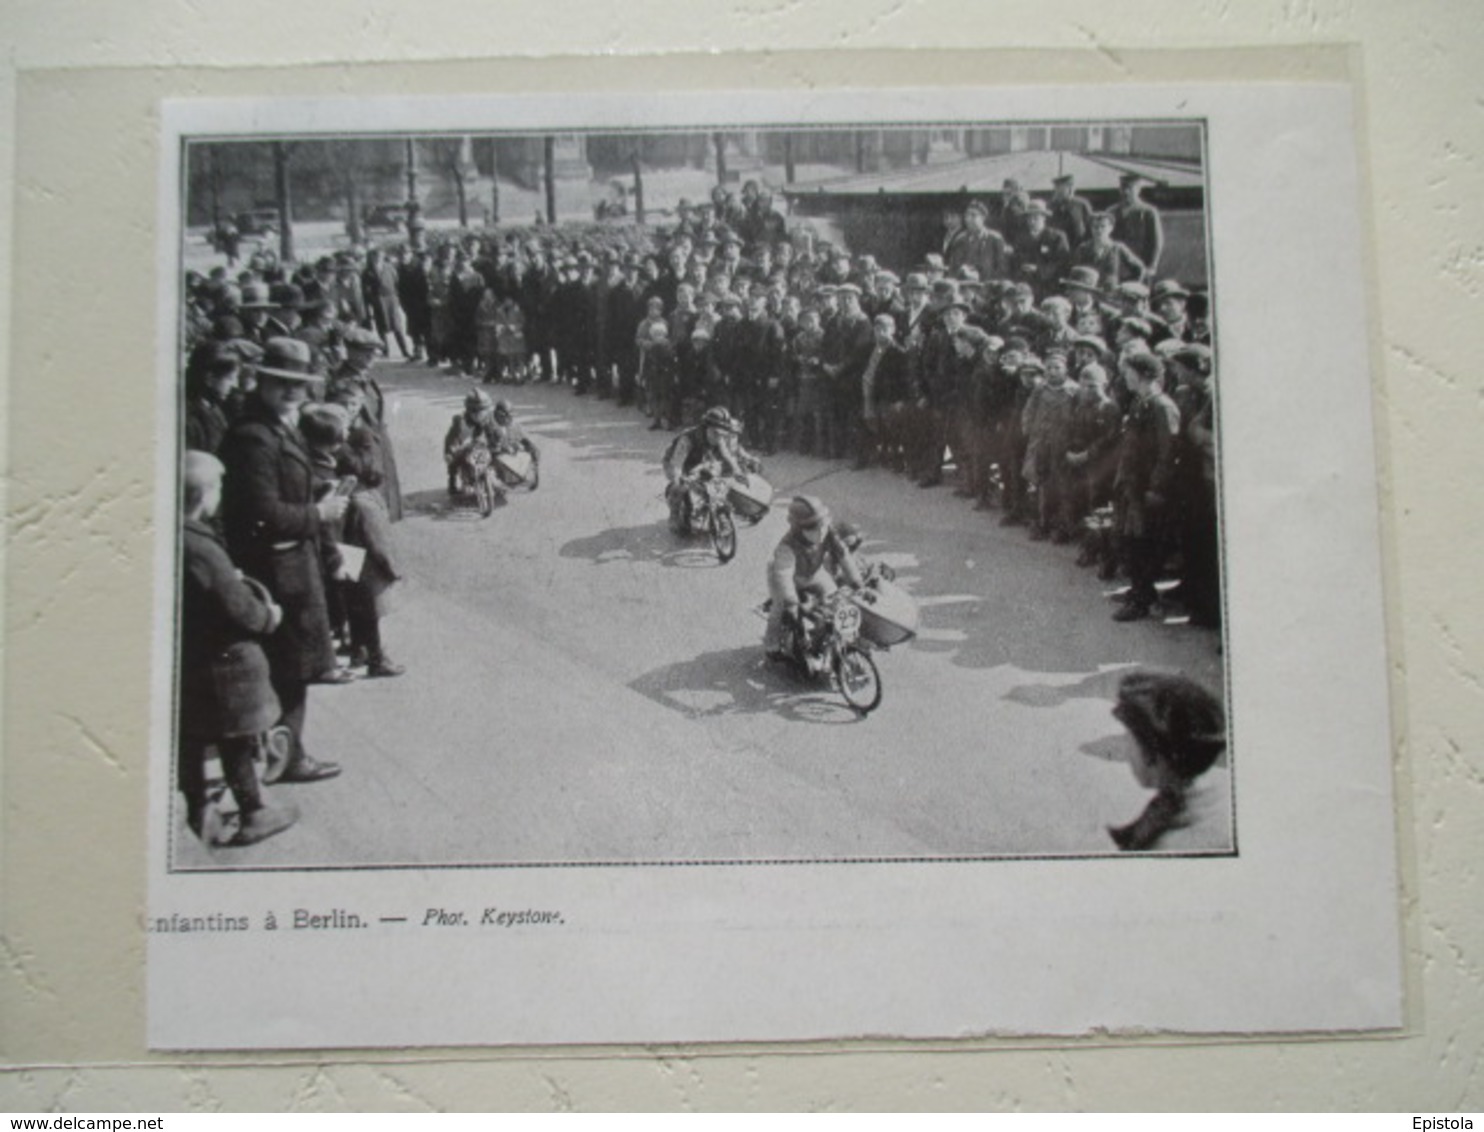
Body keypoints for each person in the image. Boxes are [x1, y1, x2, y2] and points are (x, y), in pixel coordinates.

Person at [217, 337, 345, 785]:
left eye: (300, 384)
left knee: (295, 668)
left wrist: (314, 496)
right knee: (291, 669)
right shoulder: (253, 436)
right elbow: (261, 513)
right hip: (278, 569)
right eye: (282, 383)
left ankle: (280, 751)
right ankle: (287, 758)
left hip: (294, 564)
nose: (293, 392)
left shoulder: (277, 426)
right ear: (263, 381)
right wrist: (318, 513)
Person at [177, 450, 297, 846]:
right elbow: (237, 607)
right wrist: (269, 616)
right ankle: (254, 811)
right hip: (224, 662)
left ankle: (200, 809)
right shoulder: (201, 547)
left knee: (195, 736)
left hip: (193, 657)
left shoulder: (179, 536)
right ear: (204, 494)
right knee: (237, 737)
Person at [1106, 671, 1229, 852]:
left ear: (1150, 754)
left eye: (1128, 738)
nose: (1126, 751)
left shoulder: (1170, 847)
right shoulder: (1213, 800)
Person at [763, 495, 864, 664]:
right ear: (798, 529)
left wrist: (856, 582)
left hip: (813, 573)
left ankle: (823, 638)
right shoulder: (786, 546)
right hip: (785, 578)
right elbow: (784, 576)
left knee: (834, 600)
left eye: (822, 525)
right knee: (779, 608)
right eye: (812, 528)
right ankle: (771, 645)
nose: (820, 532)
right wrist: (790, 602)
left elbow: (843, 556)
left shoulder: (828, 532)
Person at [661, 406, 760, 534]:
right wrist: (679, 477)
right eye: (715, 433)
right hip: (675, 462)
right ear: (705, 427)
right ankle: (673, 516)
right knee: (680, 487)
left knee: (715, 479)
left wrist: (737, 471)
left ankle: (712, 510)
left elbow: (728, 457)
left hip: (699, 460)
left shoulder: (718, 438)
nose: (718, 438)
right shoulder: (687, 439)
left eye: (722, 434)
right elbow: (677, 464)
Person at [444, 388, 498, 496]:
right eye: (476, 412)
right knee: (453, 462)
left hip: (483, 447)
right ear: (469, 411)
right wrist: (451, 450)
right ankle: (452, 482)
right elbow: (450, 438)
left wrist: (498, 441)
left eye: (483, 411)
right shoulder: (460, 422)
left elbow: (495, 432)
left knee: (498, 455)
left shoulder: (489, 420)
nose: (480, 415)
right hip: (465, 448)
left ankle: (498, 478)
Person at [488, 399, 542, 491]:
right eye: (502, 416)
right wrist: (502, 448)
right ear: (496, 415)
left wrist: (531, 446)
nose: (506, 419)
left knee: (528, 455)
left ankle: (518, 477)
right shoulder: (489, 425)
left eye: (508, 416)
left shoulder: (514, 425)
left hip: (511, 454)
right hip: (496, 454)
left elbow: (523, 438)